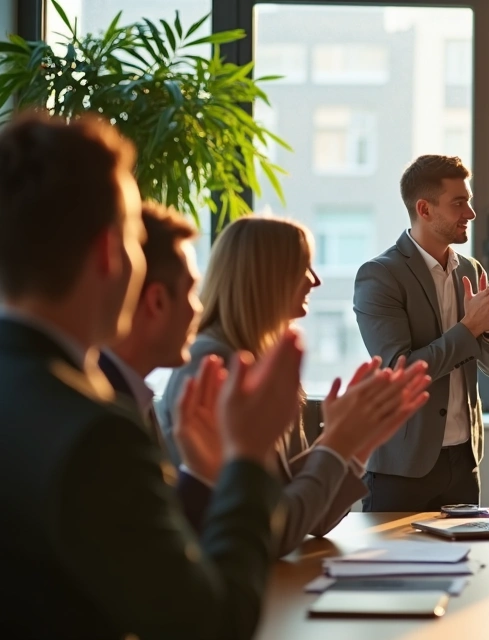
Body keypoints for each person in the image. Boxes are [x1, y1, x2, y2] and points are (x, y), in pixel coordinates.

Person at [0, 112, 300, 638]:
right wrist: (247, 458)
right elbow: (212, 624)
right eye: (137, 238)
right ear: (108, 251)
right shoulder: (95, 434)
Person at [162, 216, 432, 555]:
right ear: (267, 276)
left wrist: (356, 443)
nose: (315, 281)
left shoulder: (264, 364)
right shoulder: (213, 367)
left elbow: (310, 519)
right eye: (304, 266)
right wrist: (338, 443)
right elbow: (275, 530)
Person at [354, 154, 489, 511]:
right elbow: (403, 372)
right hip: (402, 468)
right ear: (424, 209)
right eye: (459, 203)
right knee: (396, 566)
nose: (471, 213)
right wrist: (470, 326)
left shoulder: (471, 271)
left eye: (469, 201)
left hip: (464, 462)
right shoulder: (380, 276)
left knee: (463, 566)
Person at [97, 201, 203, 484]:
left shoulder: (129, 395)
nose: (199, 309)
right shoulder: (106, 419)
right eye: (191, 290)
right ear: (157, 301)